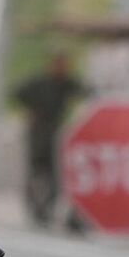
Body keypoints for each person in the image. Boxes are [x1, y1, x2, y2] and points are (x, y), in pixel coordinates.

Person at [12, 53, 86, 225]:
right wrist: (31, 110)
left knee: (54, 173)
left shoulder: (66, 83)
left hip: (55, 132)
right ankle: (34, 207)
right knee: (36, 170)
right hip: (38, 131)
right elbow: (18, 92)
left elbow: (82, 90)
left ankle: (47, 207)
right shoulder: (39, 83)